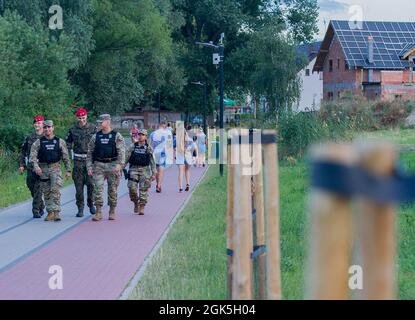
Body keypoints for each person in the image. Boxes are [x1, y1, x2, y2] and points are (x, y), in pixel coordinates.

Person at [29, 120, 71, 222]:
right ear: (43, 129)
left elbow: (66, 157)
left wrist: (68, 170)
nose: (47, 129)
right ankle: (50, 212)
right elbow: (32, 156)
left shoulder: (59, 141)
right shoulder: (38, 142)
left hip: (55, 168)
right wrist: (36, 166)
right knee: (46, 192)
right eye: (45, 127)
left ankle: (56, 212)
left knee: (55, 190)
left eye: (49, 127)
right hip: (43, 169)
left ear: (53, 128)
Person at [87, 114, 125, 221]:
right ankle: (98, 211)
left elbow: (122, 151)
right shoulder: (96, 136)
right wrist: (89, 166)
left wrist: (119, 164)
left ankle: (112, 210)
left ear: (108, 122)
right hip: (98, 165)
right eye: (98, 122)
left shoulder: (116, 136)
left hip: (113, 165)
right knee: (97, 189)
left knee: (112, 189)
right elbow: (89, 152)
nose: (99, 124)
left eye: (101, 122)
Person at [66, 108, 96, 217]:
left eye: (83, 117)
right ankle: (80, 208)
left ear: (86, 116)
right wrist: (69, 159)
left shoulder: (93, 128)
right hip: (78, 162)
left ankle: (90, 203)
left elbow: (97, 144)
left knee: (91, 185)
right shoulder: (72, 130)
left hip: (90, 162)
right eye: (80, 118)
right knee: (79, 188)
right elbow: (67, 145)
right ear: (77, 118)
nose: (82, 120)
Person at [19, 115, 46, 219]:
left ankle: (35, 210)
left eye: (39, 123)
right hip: (30, 167)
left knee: (38, 189)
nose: (37, 125)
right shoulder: (29, 137)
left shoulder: (46, 137)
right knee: (31, 187)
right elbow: (23, 152)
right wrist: (22, 165)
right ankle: (41, 205)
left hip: (42, 167)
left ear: (43, 124)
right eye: (35, 123)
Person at [125, 128, 156, 215]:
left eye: (142, 135)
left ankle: (142, 206)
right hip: (133, 169)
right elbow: (126, 157)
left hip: (145, 170)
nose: (140, 136)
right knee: (132, 188)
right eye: (139, 134)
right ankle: (135, 202)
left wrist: (154, 173)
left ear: (146, 136)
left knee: (143, 189)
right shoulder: (133, 146)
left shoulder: (148, 148)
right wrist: (120, 167)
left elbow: (152, 161)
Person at [149, 120, 172, 193]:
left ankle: (157, 183)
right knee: (161, 168)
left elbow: (149, 145)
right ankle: (159, 185)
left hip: (154, 153)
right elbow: (169, 144)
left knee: (155, 169)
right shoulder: (167, 133)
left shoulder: (153, 133)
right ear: (164, 125)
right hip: (163, 152)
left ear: (159, 125)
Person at [176, 124, 197, 192]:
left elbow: (174, 147)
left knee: (180, 172)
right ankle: (188, 184)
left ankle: (180, 187)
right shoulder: (190, 140)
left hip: (180, 155)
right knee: (187, 170)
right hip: (188, 156)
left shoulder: (177, 139)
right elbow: (194, 147)